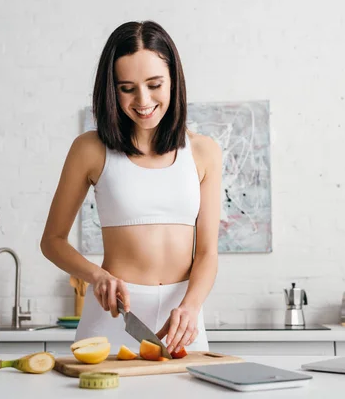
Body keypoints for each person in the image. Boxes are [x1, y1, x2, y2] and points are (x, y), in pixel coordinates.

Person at [41, 20, 222, 355]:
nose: (143, 100)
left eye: (155, 84)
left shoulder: (203, 151)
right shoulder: (90, 149)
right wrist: (97, 276)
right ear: (112, 89)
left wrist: (191, 307)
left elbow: (207, 253)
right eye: (127, 88)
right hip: (113, 316)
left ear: (173, 81)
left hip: (182, 322)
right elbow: (51, 242)